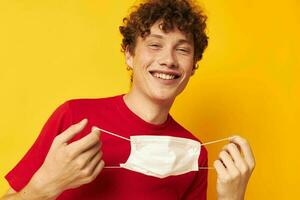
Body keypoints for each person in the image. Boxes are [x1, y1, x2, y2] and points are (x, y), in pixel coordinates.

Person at [1, 0, 255, 199]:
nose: (168, 59)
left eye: (182, 49)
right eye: (155, 45)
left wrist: (232, 198)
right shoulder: (75, 118)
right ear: (129, 55)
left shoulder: (193, 151)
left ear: (193, 65)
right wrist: (44, 186)